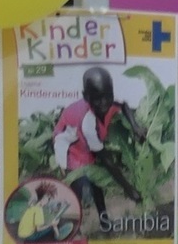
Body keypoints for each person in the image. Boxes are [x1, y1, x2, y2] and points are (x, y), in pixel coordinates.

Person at [53, 64, 144, 228]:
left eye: (108, 96)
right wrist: (129, 189)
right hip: (69, 147)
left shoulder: (108, 99)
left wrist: (135, 127)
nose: (104, 103)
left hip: (86, 145)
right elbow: (107, 160)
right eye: (97, 99)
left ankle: (104, 222)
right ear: (86, 97)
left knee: (96, 185)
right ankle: (70, 226)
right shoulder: (87, 122)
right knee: (77, 186)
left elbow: (123, 106)